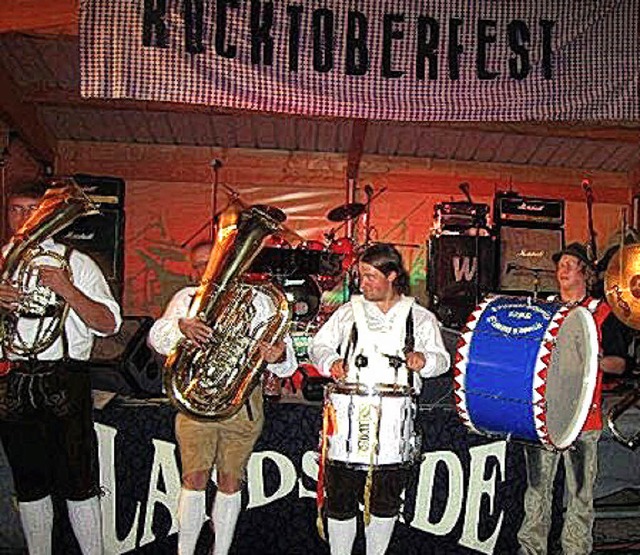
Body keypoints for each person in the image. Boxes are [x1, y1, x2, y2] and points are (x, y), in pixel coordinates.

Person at [148, 239, 297, 555]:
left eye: (214, 262)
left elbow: (288, 366)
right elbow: (157, 339)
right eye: (201, 264)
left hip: (241, 401)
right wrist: (181, 327)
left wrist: (277, 355)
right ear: (193, 268)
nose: (208, 269)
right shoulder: (187, 299)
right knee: (194, 477)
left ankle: (221, 551)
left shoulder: (261, 301)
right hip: (195, 398)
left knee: (231, 481)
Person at [0, 182, 122, 555]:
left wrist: (67, 289)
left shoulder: (76, 262)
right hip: (12, 377)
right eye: (16, 209)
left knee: (79, 481)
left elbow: (108, 324)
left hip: (64, 378)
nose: (23, 217)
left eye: (33, 208)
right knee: (29, 483)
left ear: (48, 214)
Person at [309, 242, 450, 555]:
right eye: (362, 276)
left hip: (393, 430)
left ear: (392, 276)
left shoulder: (421, 318)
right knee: (341, 499)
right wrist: (330, 362)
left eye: (371, 276)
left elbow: (442, 359)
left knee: (385, 502)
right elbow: (318, 347)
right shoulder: (348, 313)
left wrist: (424, 361)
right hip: (346, 423)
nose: (363, 283)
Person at [517, 242, 627, 555]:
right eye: (560, 264)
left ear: (585, 272)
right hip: (544, 419)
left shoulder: (604, 313)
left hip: (583, 421)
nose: (562, 269)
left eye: (570, 263)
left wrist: (591, 359)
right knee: (536, 492)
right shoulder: (545, 312)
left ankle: (576, 551)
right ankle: (531, 549)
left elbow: (619, 363)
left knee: (580, 496)